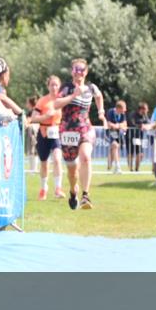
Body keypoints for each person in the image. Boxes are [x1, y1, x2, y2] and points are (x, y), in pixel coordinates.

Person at [53, 58, 106, 210]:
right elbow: (56, 104)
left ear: (86, 72)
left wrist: (101, 111)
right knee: (71, 171)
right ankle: (73, 190)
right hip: (68, 130)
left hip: (85, 128)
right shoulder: (66, 87)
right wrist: (73, 96)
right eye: (76, 69)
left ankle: (85, 195)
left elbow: (99, 96)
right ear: (72, 72)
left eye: (82, 70)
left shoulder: (91, 87)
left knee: (86, 157)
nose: (79, 72)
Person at [31, 75, 64, 199]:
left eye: (56, 84)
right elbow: (34, 118)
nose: (54, 87)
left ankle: (58, 188)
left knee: (57, 158)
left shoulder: (62, 100)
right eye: (52, 84)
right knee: (44, 162)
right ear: (48, 86)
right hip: (43, 133)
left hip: (56, 132)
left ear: (59, 86)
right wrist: (45, 116)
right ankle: (43, 189)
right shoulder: (42, 101)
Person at [105, 100, 128, 175]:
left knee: (114, 149)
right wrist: (117, 126)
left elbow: (125, 125)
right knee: (115, 145)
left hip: (118, 134)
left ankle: (109, 166)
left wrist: (117, 126)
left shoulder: (123, 114)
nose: (125, 110)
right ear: (119, 108)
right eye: (124, 108)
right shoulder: (111, 112)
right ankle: (117, 167)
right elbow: (108, 123)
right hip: (110, 132)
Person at [128, 101, 151, 172]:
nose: (147, 111)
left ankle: (137, 169)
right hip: (130, 136)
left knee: (140, 154)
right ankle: (130, 169)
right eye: (146, 109)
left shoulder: (145, 116)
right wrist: (140, 125)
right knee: (131, 153)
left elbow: (148, 123)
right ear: (141, 109)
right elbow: (131, 123)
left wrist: (145, 126)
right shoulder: (133, 114)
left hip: (139, 137)